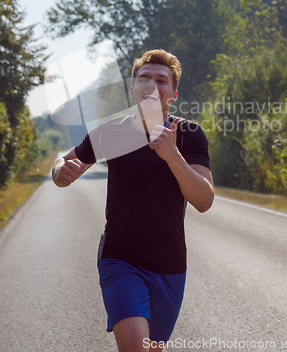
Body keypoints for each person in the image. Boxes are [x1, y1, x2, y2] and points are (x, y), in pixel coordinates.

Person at [52, 49, 214, 352]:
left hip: (170, 265)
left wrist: (172, 156)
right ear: (132, 90)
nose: (152, 85)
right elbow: (64, 162)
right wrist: (60, 171)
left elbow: (204, 199)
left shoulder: (189, 135)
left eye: (161, 80)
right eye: (144, 78)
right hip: (120, 259)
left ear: (173, 93)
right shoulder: (110, 132)